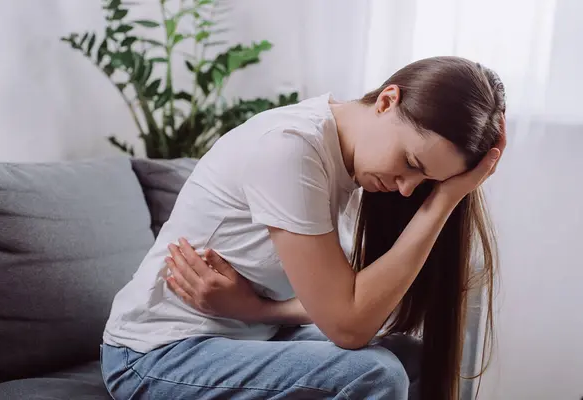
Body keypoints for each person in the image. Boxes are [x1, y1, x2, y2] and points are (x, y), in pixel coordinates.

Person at [101, 56, 506, 400]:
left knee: (413, 358)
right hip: (154, 353)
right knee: (376, 374)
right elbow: (348, 326)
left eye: (427, 184)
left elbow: (353, 304)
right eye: (412, 164)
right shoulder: (290, 148)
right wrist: (442, 203)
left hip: (250, 335)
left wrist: (257, 310)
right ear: (387, 101)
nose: (406, 189)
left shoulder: (354, 167)